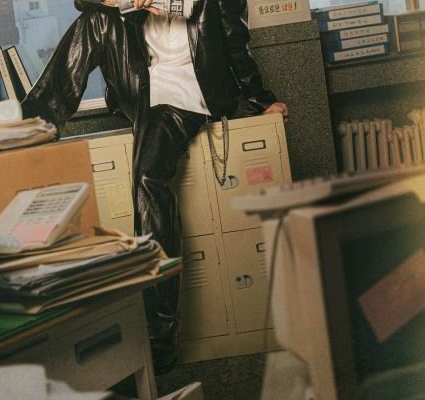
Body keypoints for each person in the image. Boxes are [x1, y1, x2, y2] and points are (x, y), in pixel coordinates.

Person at [21, 0, 288, 374]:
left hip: (190, 91)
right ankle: (31, 126)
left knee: (148, 177)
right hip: (141, 81)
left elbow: (235, 41)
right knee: (95, 20)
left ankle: (159, 336)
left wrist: (261, 100)